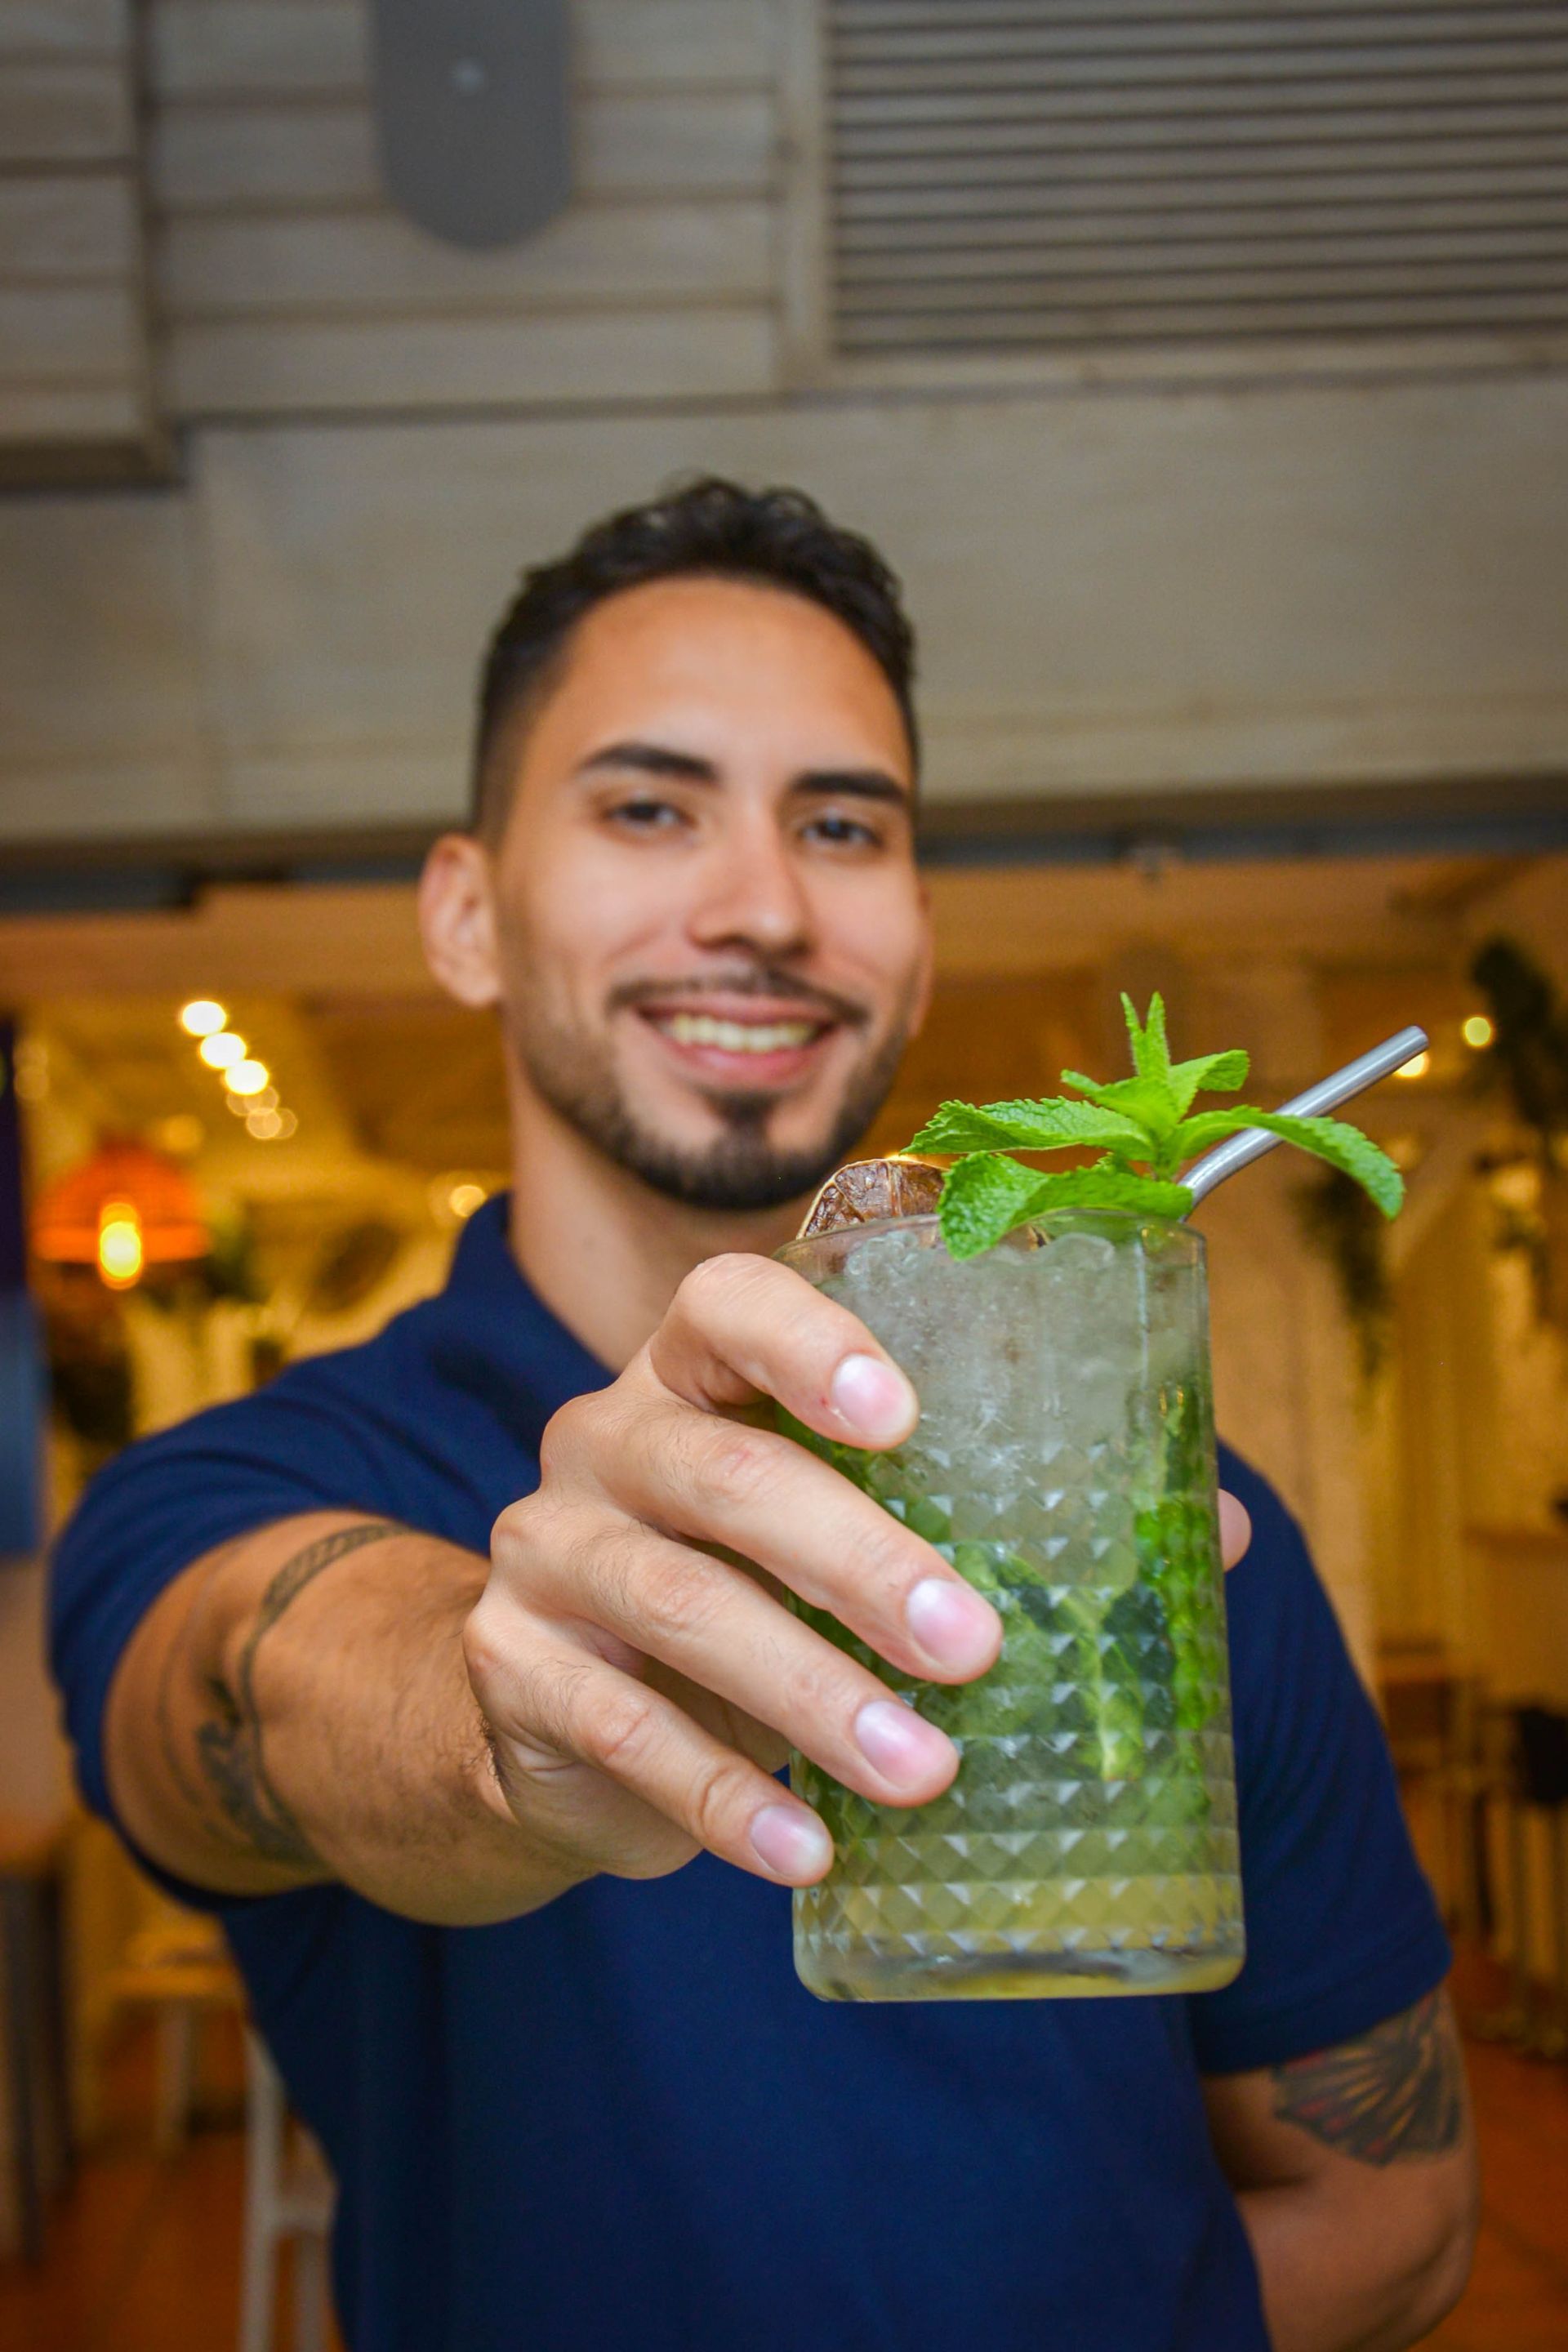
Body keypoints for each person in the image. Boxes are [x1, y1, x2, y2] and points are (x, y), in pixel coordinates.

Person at [51, 480, 1477, 2352]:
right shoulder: (245, 1479)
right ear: (466, 914)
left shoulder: (1164, 1515)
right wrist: (511, 1718)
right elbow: (262, 1676)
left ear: (919, 934)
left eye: (842, 825)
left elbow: (1397, 2213)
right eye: (649, 808)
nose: (764, 907)